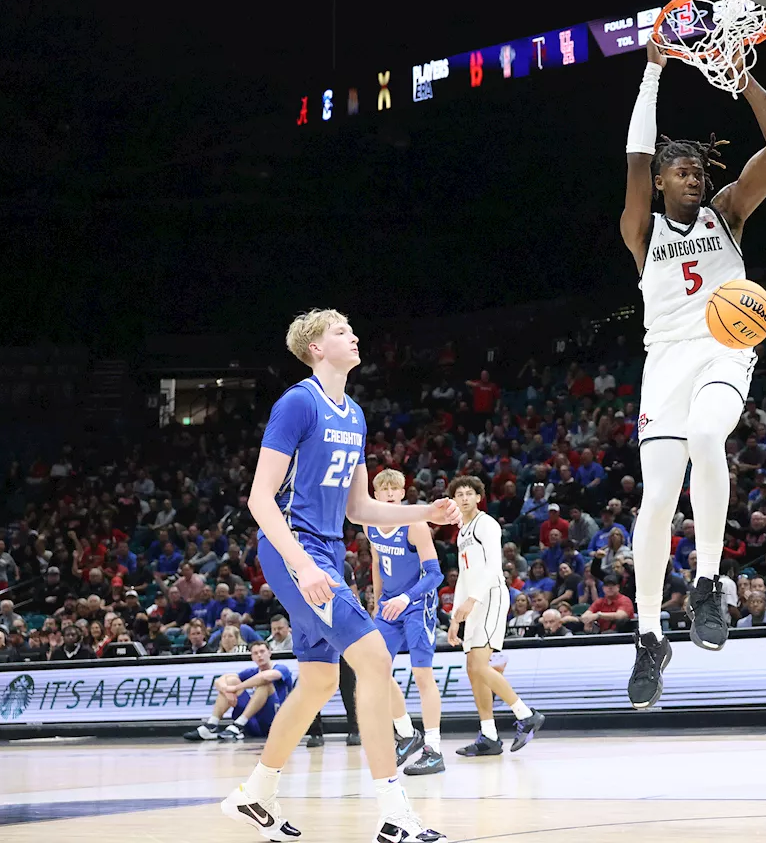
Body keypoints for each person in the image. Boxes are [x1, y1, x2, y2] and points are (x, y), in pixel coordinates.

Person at [220, 309, 457, 843]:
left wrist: (425, 513)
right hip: (295, 552)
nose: (353, 335)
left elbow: (360, 509)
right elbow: (260, 498)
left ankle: (255, 794)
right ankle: (395, 814)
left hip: (326, 552)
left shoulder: (354, 413)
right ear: (315, 348)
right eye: (340, 331)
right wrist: (303, 567)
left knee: (322, 680)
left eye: (352, 328)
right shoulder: (297, 403)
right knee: (373, 659)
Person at [620, 38, 766, 710]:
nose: (693, 178)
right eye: (682, 172)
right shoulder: (641, 229)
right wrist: (652, 72)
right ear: (663, 183)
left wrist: (745, 79)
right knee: (657, 502)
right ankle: (647, 637)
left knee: (706, 439)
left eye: (699, 171)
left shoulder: (729, 213)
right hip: (664, 364)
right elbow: (636, 155)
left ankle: (705, 585)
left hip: (724, 350)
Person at [446, 475, 545, 757]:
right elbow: (464, 577)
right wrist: (456, 617)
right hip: (473, 600)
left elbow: (492, 568)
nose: (464, 498)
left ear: (479, 497)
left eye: (469, 493)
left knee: (479, 666)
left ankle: (525, 714)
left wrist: (473, 601)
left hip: (490, 596)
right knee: (472, 668)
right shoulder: (462, 532)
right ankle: (489, 735)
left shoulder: (485, 524)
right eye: (459, 494)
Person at [366, 469, 446, 776]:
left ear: (403, 492)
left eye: (394, 488)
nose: (388, 493)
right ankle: (407, 733)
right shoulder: (370, 523)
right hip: (389, 605)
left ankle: (434, 750)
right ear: (375, 493)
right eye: (383, 488)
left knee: (422, 674)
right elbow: (376, 563)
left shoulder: (414, 524)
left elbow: (435, 574)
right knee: (375, 668)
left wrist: (405, 598)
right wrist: (377, 600)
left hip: (417, 605)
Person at [184, 641, 294, 742]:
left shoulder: (281, 668)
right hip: (254, 721)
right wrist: (227, 690)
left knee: (265, 684)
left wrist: (237, 688)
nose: (259, 655)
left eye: (262, 651)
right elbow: (220, 680)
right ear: (252, 657)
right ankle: (212, 724)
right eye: (255, 653)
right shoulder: (252, 671)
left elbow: (265, 677)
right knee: (231, 681)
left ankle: (238, 725)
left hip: (275, 721)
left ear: (270, 652)